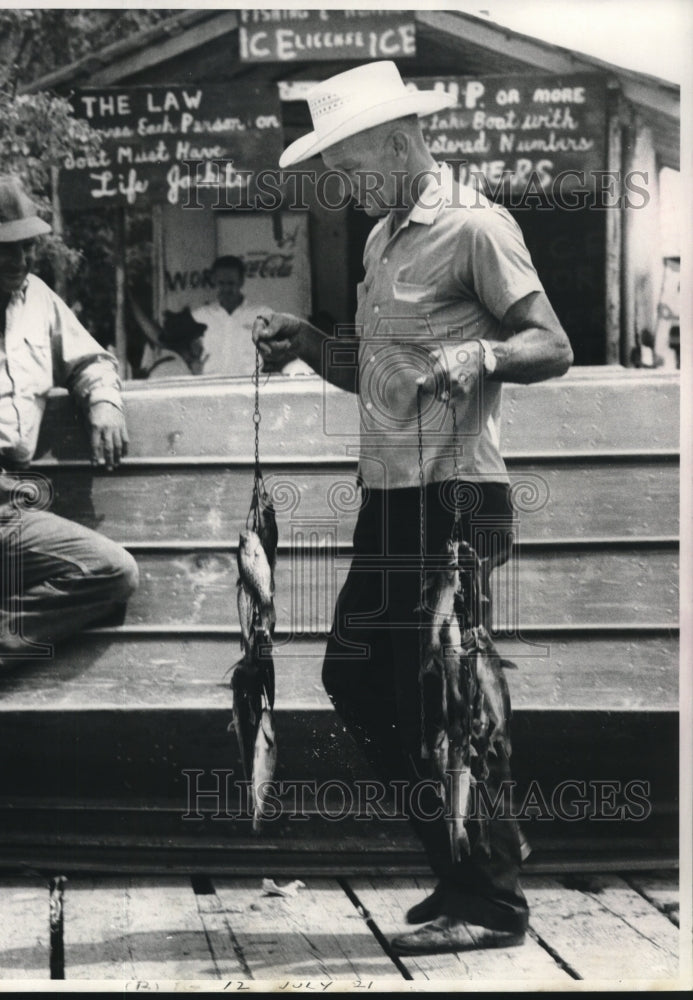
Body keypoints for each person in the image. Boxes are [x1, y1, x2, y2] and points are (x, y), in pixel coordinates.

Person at [254, 62, 573, 955]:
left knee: (448, 693)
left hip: (459, 493)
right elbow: (376, 374)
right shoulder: (378, 239)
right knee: (355, 679)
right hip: (392, 499)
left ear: (398, 142)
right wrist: (307, 343)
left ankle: (494, 900)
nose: (346, 188)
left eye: (352, 169)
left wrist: (483, 359)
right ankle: (465, 862)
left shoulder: (475, 223)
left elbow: (550, 343)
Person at [0, 175, 139, 899]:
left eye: (29, 246)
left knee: (108, 570)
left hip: (8, 497)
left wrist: (101, 400)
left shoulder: (38, 300)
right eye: (5, 248)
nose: (20, 259)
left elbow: (93, 358)